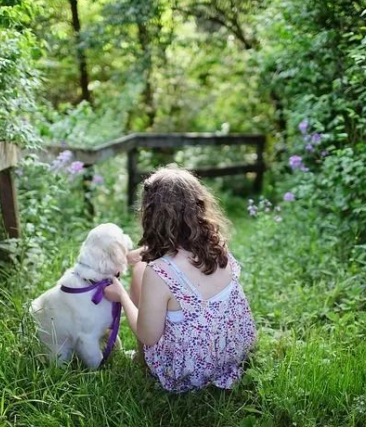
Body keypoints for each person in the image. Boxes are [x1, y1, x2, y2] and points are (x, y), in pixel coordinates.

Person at [104, 167, 256, 392]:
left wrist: (122, 297)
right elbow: (182, 257)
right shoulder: (217, 244)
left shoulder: (158, 272)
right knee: (144, 268)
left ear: (152, 214)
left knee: (139, 271)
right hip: (233, 352)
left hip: (188, 371)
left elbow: (149, 336)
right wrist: (145, 251)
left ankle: (142, 361)